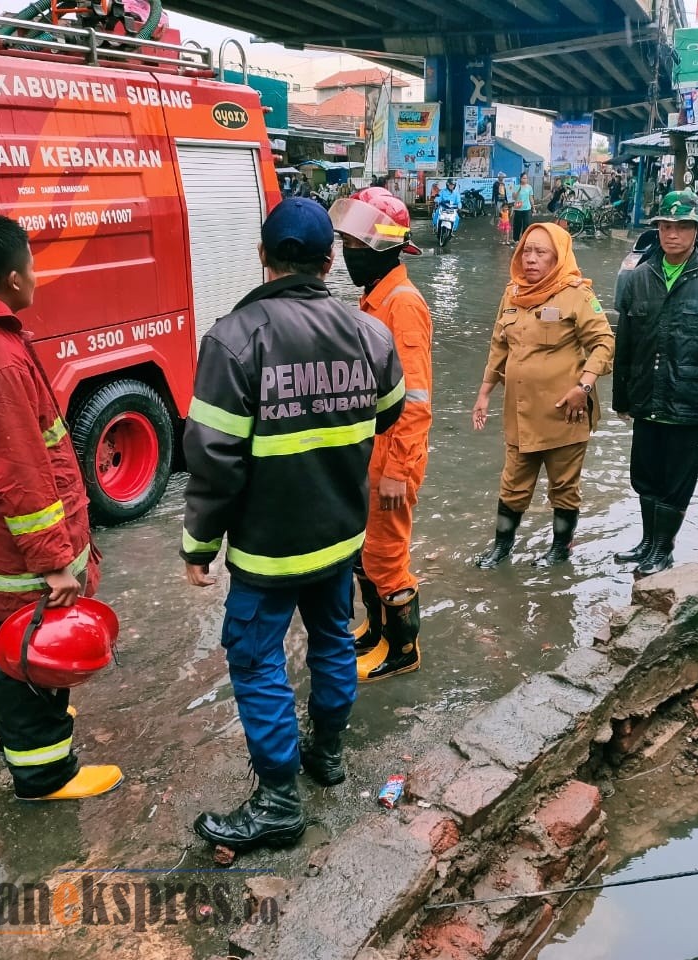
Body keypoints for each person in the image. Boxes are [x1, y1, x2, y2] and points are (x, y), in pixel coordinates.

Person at [182, 198, 405, 853]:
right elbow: (389, 414)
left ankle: (279, 801)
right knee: (334, 637)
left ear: (263, 257)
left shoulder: (233, 337)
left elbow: (212, 460)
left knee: (255, 660)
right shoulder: (370, 332)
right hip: (340, 534)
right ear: (330, 260)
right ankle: (327, 755)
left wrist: (198, 545)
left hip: (268, 547)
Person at [0, 214, 120, 801]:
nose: (37, 276)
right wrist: (56, 562)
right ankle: (44, 772)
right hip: (15, 549)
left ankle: (10, 730)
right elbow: (21, 476)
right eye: (33, 266)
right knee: (31, 642)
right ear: (12, 279)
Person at [329, 188, 433, 683]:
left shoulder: (401, 305)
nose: (345, 250)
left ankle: (403, 649)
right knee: (365, 554)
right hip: (371, 457)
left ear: (379, 246)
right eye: (345, 239)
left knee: (387, 557)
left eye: (353, 241)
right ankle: (376, 631)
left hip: (394, 461)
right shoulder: (375, 300)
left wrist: (396, 472)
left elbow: (415, 402)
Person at [613, 191, 698, 575]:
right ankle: (647, 543)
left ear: (696, 230)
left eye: (682, 227)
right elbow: (626, 343)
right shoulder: (639, 277)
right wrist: (623, 397)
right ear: (658, 230)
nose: (673, 234)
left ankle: (663, 550)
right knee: (645, 475)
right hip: (647, 398)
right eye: (666, 226)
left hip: (689, 400)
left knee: (676, 481)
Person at [471, 223, 615, 567]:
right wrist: (484, 393)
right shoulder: (513, 293)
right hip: (520, 413)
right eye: (526, 251)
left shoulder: (576, 294)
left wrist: (584, 386)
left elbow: (604, 342)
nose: (531, 259)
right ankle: (502, 546)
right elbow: (498, 345)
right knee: (513, 484)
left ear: (558, 256)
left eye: (541, 253)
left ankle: (560, 548)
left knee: (564, 486)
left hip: (565, 412)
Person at [512, 171, 535, 237]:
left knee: (526, 225)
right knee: (517, 225)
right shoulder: (516, 187)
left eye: (526, 178)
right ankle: (516, 239)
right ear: (520, 178)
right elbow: (514, 198)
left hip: (527, 209)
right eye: (524, 178)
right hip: (518, 209)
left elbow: (531, 198)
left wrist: (533, 207)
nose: (525, 179)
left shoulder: (529, 187)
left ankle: (524, 239)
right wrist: (519, 190)